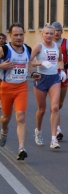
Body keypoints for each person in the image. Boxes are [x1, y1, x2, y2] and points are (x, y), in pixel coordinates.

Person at [0, 23, 36, 160]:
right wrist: (1, 65)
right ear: (10, 35)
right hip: (6, 87)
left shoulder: (27, 49)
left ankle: (21, 148)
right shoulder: (4, 49)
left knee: (20, 116)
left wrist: (33, 74)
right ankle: (4, 130)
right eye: (16, 35)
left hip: (21, 87)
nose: (19, 37)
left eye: (21, 34)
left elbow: (28, 64)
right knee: (5, 118)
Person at [30, 24, 66, 149]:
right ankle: (38, 132)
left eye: (51, 33)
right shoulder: (39, 47)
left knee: (55, 108)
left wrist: (61, 70)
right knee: (41, 110)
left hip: (54, 79)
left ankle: (53, 139)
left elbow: (60, 60)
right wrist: (41, 63)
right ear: (42, 34)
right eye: (47, 33)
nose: (49, 35)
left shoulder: (58, 46)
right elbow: (28, 61)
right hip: (41, 78)